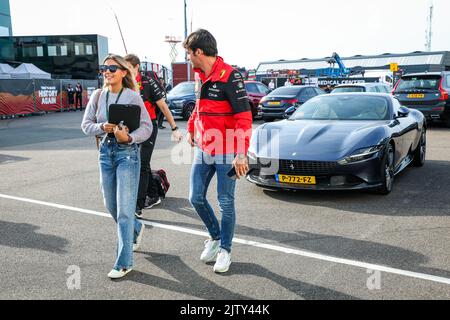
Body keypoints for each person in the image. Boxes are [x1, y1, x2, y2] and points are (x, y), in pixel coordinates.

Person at [184, 29, 253, 274]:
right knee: (195, 197)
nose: (188, 58)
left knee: (225, 202)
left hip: (227, 151)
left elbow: (244, 117)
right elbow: (198, 108)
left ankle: (225, 249)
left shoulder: (230, 76)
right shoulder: (199, 75)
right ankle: (214, 237)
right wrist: (192, 127)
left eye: (189, 54)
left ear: (199, 51)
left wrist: (242, 152)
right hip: (204, 148)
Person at [81, 54, 152, 280]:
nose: (108, 71)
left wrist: (129, 137)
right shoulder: (98, 95)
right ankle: (136, 228)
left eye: (113, 68)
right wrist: (102, 126)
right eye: (105, 68)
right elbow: (86, 125)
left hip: (127, 154)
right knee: (111, 205)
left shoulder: (132, 96)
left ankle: (124, 263)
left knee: (124, 211)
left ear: (123, 72)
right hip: (105, 152)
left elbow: (147, 128)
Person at [124, 54, 183, 218]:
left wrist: (175, 128)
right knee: (141, 163)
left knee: (142, 164)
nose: (124, 71)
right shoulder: (123, 83)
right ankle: (154, 193)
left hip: (148, 126)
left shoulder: (148, 82)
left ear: (136, 67)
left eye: (127, 67)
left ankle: (138, 205)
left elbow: (163, 107)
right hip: (130, 128)